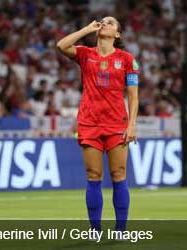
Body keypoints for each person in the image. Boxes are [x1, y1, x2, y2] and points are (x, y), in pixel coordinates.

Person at [56, 17, 139, 232]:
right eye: (102, 21)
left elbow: (133, 97)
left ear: (117, 34)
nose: (105, 23)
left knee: (119, 174)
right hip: (89, 123)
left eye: (111, 23)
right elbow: (61, 45)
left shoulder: (127, 59)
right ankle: (95, 230)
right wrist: (86, 29)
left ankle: (120, 230)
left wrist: (131, 125)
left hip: (116, 124)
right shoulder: (85, 54)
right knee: (93, 176)